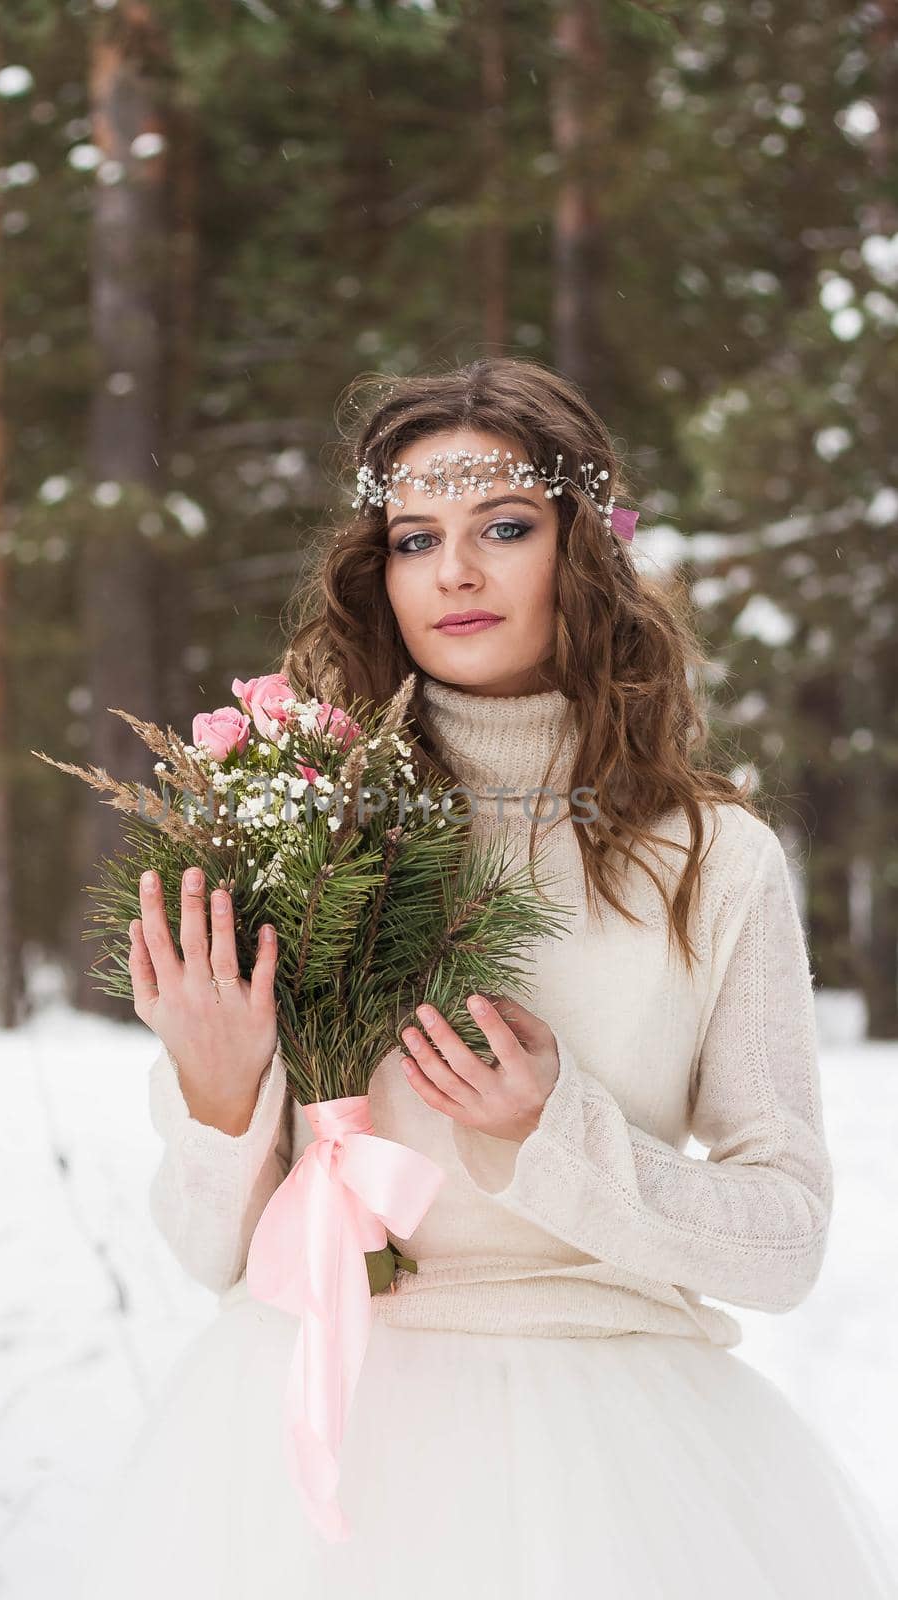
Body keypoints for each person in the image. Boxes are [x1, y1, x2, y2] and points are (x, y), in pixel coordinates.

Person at [69, 357, 898, 1597]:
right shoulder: (299, 826)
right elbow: (209, 1250)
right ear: (379, 569)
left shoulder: (712, 860)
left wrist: (553, 1131)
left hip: (620, 1465)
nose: (453, 571)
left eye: (502, 527)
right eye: (415, 537)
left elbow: (783, 1242)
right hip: (311, 1442)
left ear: (583, 547)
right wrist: (217, 1091)